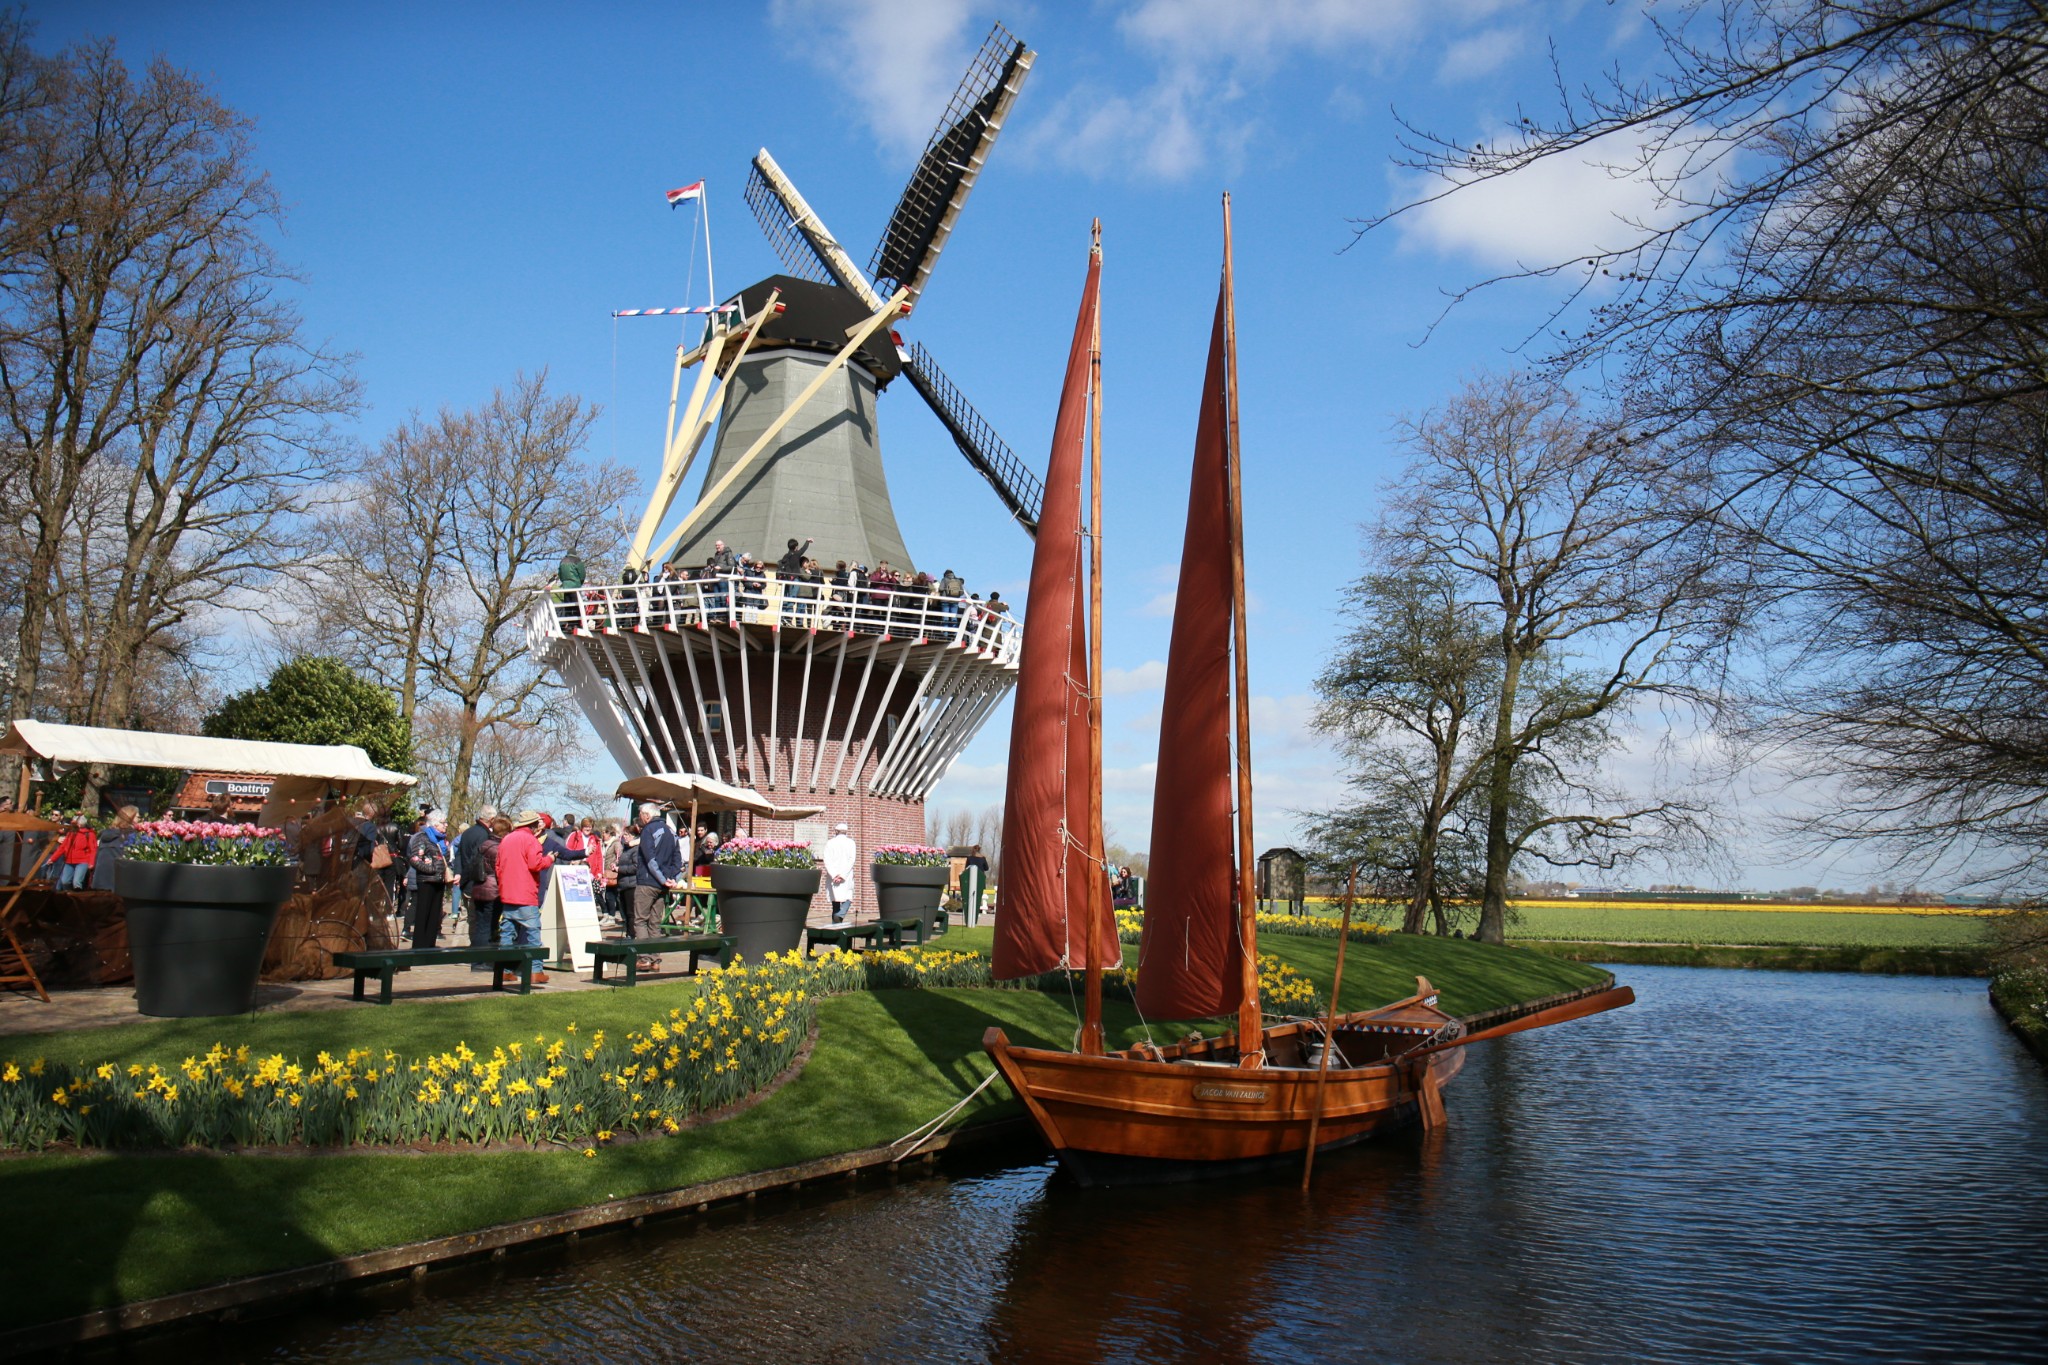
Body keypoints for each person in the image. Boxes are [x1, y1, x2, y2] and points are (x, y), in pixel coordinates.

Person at [495, 810, 554, 985]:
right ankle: (535, 971)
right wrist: (549, 859)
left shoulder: (506, 839)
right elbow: (535, 864)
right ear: (533, 825)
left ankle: (505, 970)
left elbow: (498, 866)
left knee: (507, 934)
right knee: (533, 933)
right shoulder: (531, 841)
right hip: (525, 894)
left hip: (508, 893)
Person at [632, 803, 683, 970]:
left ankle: (644, 958)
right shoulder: (671, 831)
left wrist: (662, 879)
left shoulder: (648, 830)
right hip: (664, 885)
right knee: (655, 922)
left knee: (640, 920)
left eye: (640, 814)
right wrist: (672, 879)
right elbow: (679, 860)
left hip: (648, 882)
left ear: (647, 815)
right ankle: (655, 960)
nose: (640, 817)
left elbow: (650, 859)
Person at [406, 809, 454, 949]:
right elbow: (415, 859)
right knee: (423, 912)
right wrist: (431, 869)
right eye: (443, 823)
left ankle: (430, 944)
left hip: (439, 880)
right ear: (435, 824)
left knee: (435, 914)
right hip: (426, 880)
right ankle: (419, 945)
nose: (445, 825)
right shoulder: (423, 837)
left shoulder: (443, 840)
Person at [466, 815, 508, 970]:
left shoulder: (484, 844)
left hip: (479, 887)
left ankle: (478, 960)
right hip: (492, 890)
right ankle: (481, 962)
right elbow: (500, 871)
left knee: (480, 925)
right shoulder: (498, 848)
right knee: (487, 926)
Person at [91, 805, 141, 890]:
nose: (140, 819)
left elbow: (97, 856)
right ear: (130, 817)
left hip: (100, 879)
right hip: (119, 882)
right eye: (138, 817)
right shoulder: (129, 836)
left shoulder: (105, 834)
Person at [52, 815, 97, 892]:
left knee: (77, 882)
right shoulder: (70, 834)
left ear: (79, 825)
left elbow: (93, 850)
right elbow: (63, 847)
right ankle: (69, 896)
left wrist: (91, 863)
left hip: (82, 861)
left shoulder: (89, 834)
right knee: (65, 881)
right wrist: (53, 858)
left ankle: (77, 898)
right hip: (69, 861)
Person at [823, 821, 857, 924]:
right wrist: (842, 875)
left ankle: (836, 923)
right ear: (846, 832)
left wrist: (834, 874)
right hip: (845, 875)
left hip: (833, 875)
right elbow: (852, 860)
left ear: (836, 831)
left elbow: (827, 859)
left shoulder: (830, 842)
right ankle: (840, 914)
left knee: (835, 901)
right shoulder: (851, 843)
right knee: (848, 897)